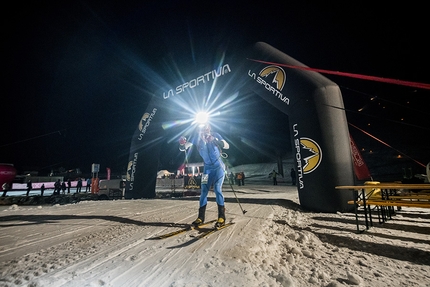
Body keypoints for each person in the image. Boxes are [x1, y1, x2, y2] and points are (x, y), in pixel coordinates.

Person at [179, 123, 230, 228]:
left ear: (209, 129)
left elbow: (227, 145)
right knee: (203, 191)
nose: (204, 132)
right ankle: (200, 217)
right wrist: (181, 143)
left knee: (217, 189)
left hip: (218, 167)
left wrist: (215, 141)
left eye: (206, 129)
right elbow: (183, 148)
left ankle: (221, 217)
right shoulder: (196, 139)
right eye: (201, 130)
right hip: (207, 169)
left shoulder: (215, 135)